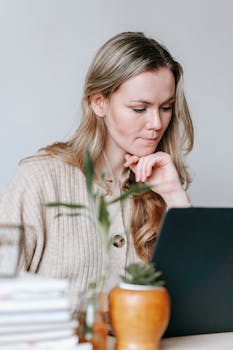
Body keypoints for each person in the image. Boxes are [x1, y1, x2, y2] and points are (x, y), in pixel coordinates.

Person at [0, 31, 193, 311]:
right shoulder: (40, 180)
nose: (156, 123)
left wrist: (175, 196)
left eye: (166, 108)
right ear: (99, 102)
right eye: (140, 108)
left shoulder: (162, 186)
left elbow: (194, 303)